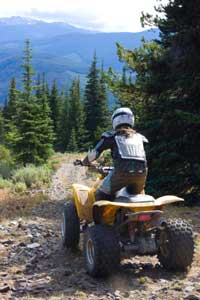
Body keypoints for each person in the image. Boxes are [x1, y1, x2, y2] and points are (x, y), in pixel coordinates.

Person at [82, 107, 148, 201]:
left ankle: (96, 216)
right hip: (141, 175)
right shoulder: (140, 138)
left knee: (99, 195)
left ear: (115, 120)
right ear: (131, 119)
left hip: (120, 174)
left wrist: (85, 162)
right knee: (136, 196)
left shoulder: (111, 136)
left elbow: (94, 153)